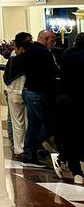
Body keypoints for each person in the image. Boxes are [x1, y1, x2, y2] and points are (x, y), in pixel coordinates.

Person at [22, 29, 59, 167]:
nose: (54, 43)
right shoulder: (43, 53)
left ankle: (28, 156)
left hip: (29, 91)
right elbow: (53, 71)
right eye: (53, 40)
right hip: (37, 93)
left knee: (33, 125)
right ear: (47, 38)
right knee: (51, 124)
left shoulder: (30, 49)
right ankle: (32, 149)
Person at [54, 32, 84, 184]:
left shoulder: (67, 53)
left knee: (69, 135)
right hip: (78, 101)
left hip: (64, 100)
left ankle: (75, 170)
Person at [4, 32, 33, 158]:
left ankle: (19, 149)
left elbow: (7, 76)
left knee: (17, 123)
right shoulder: (28, 57)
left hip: (12, 90)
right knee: (28, 122)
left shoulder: (12, 57)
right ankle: (26, 149)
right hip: (23, 91)